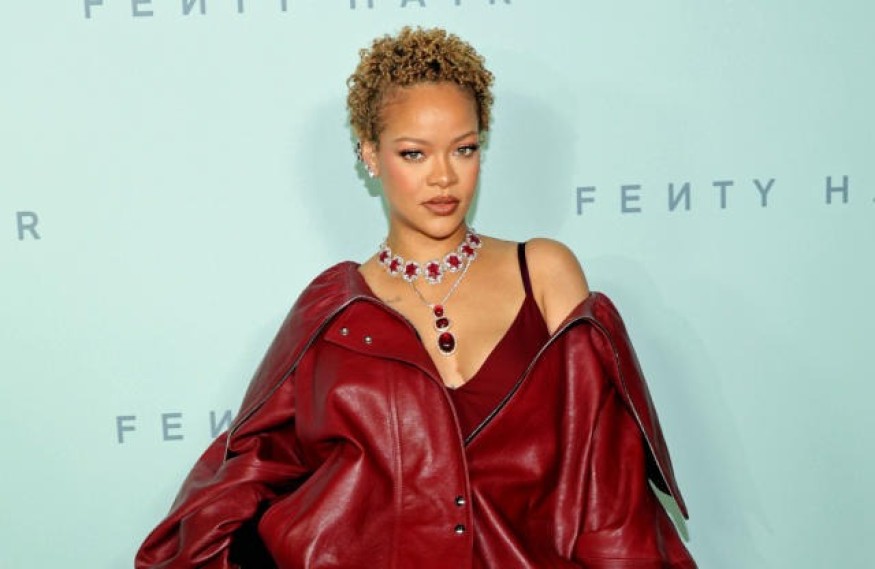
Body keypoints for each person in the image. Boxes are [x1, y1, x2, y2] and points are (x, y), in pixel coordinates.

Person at [136, 27, 697, 569]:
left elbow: (608, 486)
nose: (444, 177)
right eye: (414, 154)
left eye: (464, 149)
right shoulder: (333, 314)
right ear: (370, 155)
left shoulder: (545, 272)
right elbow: (249, 473)